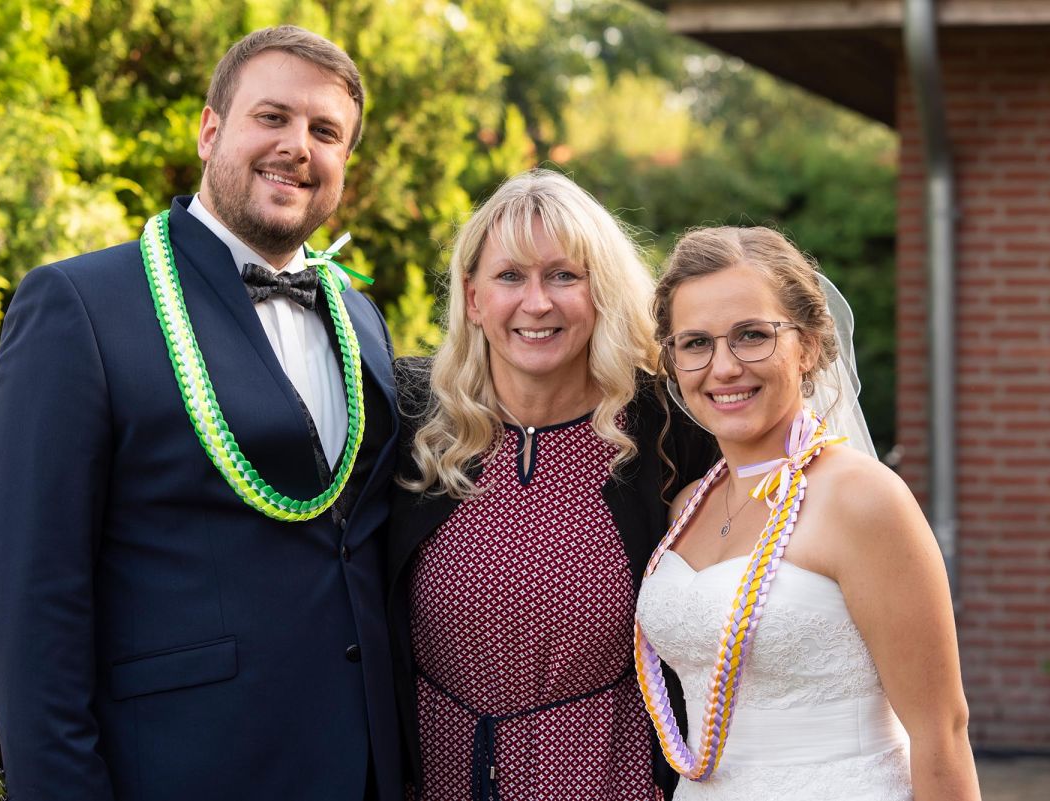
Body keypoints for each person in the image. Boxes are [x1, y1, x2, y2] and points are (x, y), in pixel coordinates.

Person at [0, 26, 401, 801]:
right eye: (271, 118)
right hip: (183, 770)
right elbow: (31, 597)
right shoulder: (81, 305)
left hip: (362, 767)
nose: (297, 146)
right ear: (211, 131)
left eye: (325, 132)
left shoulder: (359, 316)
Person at [386, 169, 712, 801]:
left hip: (611, 777)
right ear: (473, 297)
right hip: (435, 775)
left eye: (564, 275)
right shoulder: (409, 414)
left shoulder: (670, 428)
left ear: (602, 293)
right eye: (510, 276)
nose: (536, 303)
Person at [635, 226, 982, 801]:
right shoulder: (686, 505)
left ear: (810, 346)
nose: (723, 367)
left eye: (752, 335)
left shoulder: (863, 500)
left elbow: (941, 732)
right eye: (696, 343)